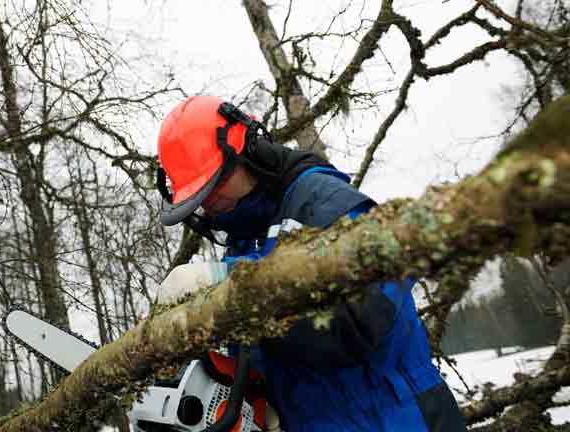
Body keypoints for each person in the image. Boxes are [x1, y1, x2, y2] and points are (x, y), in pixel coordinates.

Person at [155, 95, 467, 432]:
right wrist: (255, 400)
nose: (212, 203)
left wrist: (231, 282)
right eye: (201, 197)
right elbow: (265, 348)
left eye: (215, 184)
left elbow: (356, 320)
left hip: (394, 418)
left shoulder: (323, 201)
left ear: (250, 152)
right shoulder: (243, 241)